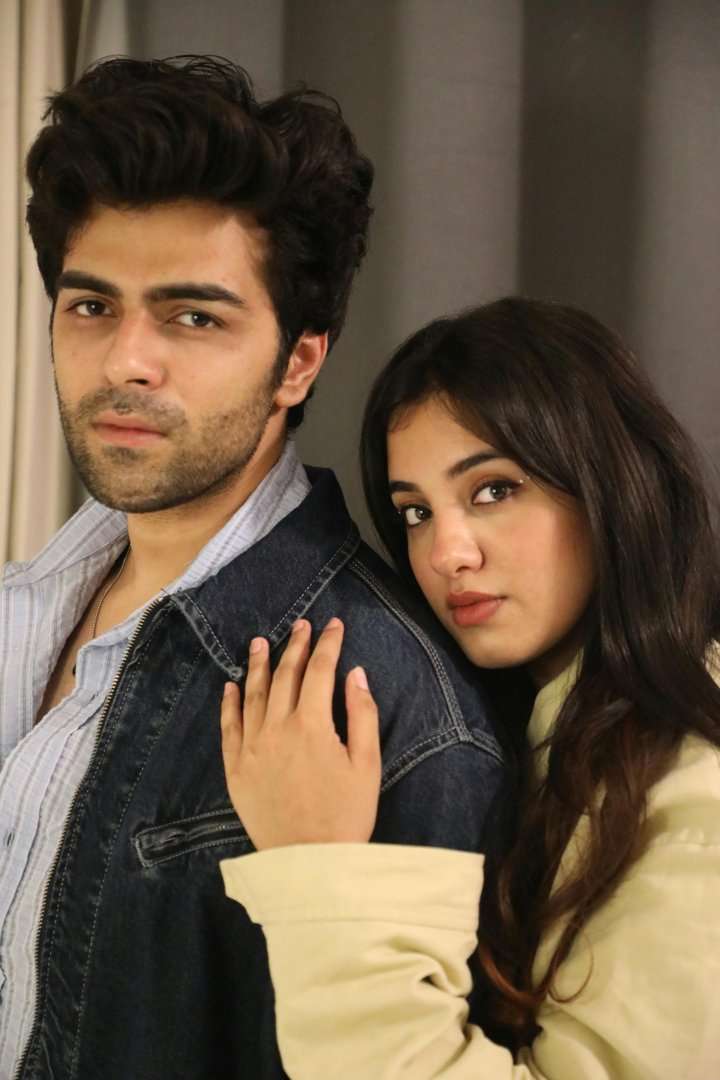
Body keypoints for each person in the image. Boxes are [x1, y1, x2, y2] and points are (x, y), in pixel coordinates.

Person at [0, 57, 510, 1079]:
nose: (127, 361)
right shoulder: (23, 605)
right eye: (92, 306)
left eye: (194, 317)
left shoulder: (387, 700)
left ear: (298, 362)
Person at [220, 297, 720, 1079]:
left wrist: (321, 866)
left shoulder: (697, 795)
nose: (446, 553)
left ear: (614, 483)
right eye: (415, 511)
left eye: (493, 490)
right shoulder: (533, 736)